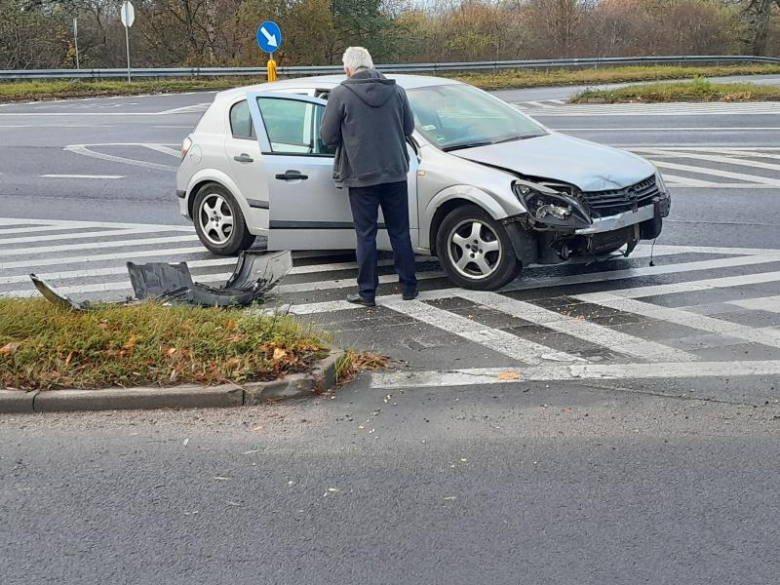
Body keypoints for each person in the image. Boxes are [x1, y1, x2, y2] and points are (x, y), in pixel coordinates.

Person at [320, 46, 418, 308]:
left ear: (348, 69)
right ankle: (409, 287)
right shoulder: (396, 91)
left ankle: (367, 293)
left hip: (361, 175)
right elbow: (409, 128)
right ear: (371, 65)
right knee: (400, 232)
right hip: (396, 172)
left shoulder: (341, 93)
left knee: (366, 234)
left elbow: (327, 137)